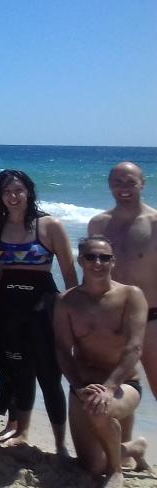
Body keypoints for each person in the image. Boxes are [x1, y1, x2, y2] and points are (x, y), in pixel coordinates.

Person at [0, 169, 77, 452]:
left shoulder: (50, 226)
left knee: (49, 374)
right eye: (7, 191)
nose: (13, 196)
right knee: (17, 371)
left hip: (42, 304)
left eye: (18, 190)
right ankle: (22, 431)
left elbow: (70, 276)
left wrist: (72, 316)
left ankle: (60, 445)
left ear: (29, 192)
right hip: (5, 306)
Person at [54, 236, 149, 488]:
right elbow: (63, 350)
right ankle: (133, 448)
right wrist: (77, 386)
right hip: (83, 387)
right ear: (80, 260)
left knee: (100, 410)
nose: (98, 262)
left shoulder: (131, 295)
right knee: (93, 465)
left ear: (113, 261)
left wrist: (108, 388)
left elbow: (134, 349)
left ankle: (116, 471)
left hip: (123, 385)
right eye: (91, 257)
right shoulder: (66, 301)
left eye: (105, 257)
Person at [88, 162, 157, 406]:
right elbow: (91, 272)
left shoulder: (154, 222)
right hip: (111, 318)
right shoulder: (98, 224)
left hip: (151, 318)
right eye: (117, 182)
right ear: (109, 185)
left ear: (143, 183)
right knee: (117, 389)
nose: (124, 188)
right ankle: (124, 444)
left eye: (130, 182)